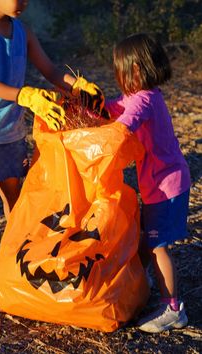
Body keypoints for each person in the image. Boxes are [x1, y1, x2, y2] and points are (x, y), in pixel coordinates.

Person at [0, 0, 105, 238]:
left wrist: (78, 87)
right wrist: (26, 95)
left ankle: (14, 259)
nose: (23, 3)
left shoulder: (23, 32)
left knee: (16, 202)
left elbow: (50, 71)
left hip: (11, 134)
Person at [105, 33, 191, 333]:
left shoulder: (145, 99)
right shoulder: (141, 95)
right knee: (148, 238)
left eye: (119, 70)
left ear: (136, 71)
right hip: (160, 184)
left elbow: (122, 126)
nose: (117, 76)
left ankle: (172, 308)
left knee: (157, 246)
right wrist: (91, 104)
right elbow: (117, 107)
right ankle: (143, 279)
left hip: (167, 187)